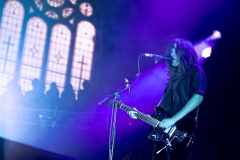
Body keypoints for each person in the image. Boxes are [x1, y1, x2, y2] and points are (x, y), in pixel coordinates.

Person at [128, 38, 207, 160]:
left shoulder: (195, 70)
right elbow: (162, 115)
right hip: (164, 135)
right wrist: (138, 115)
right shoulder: (173, 79)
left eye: (173, 50)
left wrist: (173, 119)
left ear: (184, 52)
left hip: (181, 129)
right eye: (169, 50)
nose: (170, 54)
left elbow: (198, 98)